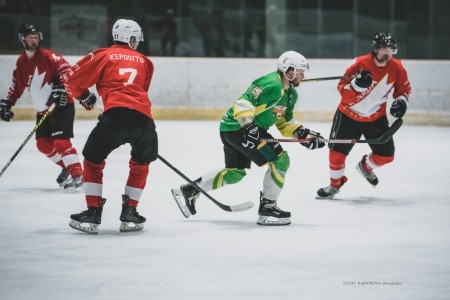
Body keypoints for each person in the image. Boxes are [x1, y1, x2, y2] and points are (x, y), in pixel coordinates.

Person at [173, 51, 325, 226]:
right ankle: (268, 207)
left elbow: (284, 122)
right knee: (281, 161)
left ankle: (191, 189)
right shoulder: (271, 84)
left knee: (235, 173)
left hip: (237, 130)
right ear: (289, 71)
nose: (302, 75)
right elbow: (243, 103)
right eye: (300, 71)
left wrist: (305, 135)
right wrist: (248, 127)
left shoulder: (290, 95)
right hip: (238, 128)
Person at [64, 19, 158, 234]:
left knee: (93, 159)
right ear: (131, 38)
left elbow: (71, 80)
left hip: (114, 117)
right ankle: (130, 213)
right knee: (141, 163)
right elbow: (139, 90)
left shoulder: (103, 55)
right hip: (143, 120)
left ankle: (93, 212)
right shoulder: (145, 61)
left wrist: (84, 96)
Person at [316, 32, 412, 199]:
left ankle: (365, 167)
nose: (387, 53)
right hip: (347, 116)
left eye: (390, 49)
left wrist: (402, 102)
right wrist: (356, 85)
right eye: (383, 48)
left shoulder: (397, 67)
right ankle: (334, 186)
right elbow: (342, 89)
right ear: (375, 49)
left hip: (376, 118)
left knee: (386, 156)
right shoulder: (360, 63)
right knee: (336, 154)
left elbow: (403, 90)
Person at [0, 24, 83, 189]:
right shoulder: (22, 62)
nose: (34, 40)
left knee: (61, 142)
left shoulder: (49, 56)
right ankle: (67, 168)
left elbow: (67, 71)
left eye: (36, 37)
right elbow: (17, 86)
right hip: (43, 110)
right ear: (22, 38)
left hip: (61, 105)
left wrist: (60, 85)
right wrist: (8, 103)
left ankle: (78, 175)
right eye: (30, 37)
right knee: (43, 144)